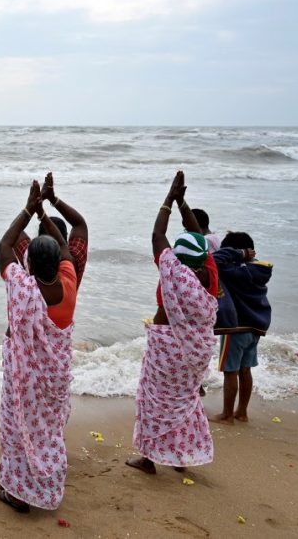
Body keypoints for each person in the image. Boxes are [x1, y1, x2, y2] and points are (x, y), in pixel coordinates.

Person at [126, 171, 218, 475]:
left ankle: (149, 460)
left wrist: (169, 198)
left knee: (155, 402)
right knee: (185, 401)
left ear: (177, 257)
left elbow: (157, 237)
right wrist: (182, 203)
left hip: (167, 351)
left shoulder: (174, 271)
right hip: (196, 353)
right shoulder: (209, 272)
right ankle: (183, 458)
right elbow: (199, 238)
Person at [0, 180, 77, 513]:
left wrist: (30, 208)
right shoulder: (69, 284)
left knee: (18, 429)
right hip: (55, 378)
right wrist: (46, 211)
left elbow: (4, 244)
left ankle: (17, 494)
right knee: (47, 431)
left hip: (25, 380)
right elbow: (67, 251)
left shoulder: (21, 285)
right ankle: (46, 483)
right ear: (58, 263)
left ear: (27, 263)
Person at [210, 232, 272, 425]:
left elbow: (212, 260)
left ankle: (227, 415)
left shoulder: (233, 270)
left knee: (230, 371)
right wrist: (243, 255)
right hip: (256, 327)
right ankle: (242, 412)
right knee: (245, 370)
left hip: (236, 328)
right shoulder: (258, 269)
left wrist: (236, 254)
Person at [15, 172, 88, 289]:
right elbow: (80, 225)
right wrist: (53, 199)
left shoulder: (31, 261)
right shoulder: (73, 264)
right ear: (65, 240)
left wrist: (31, 206)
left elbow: (15, 232)